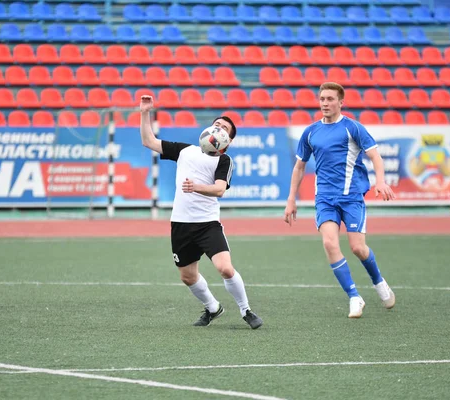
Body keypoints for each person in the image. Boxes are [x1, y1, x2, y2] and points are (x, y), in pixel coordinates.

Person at [139, 95, 263, 329]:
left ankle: (246, 310)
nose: (219, 128)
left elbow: (219, 190)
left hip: (207, 224)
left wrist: (195, 187)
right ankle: (213, 308)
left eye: (224, 128)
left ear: (228, 140)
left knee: (225, 268)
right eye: (217, 124)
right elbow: (149, 141)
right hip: (181, 224)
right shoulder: (186, 151)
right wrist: (145, 112)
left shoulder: (224, 161)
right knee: (187, 276)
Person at [284, 82, 395, 318]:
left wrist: (381, 182)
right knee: (329, 244)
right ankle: (354, 296)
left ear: (340, 102)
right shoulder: (311, 131)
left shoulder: (352, 128)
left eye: (330, 99)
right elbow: (299, 167)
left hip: (352, 197)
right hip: (324, 198)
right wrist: (291, 199)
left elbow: (375, 156)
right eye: (322, 98)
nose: (325, 103)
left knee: (357, 248)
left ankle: (378, 281)